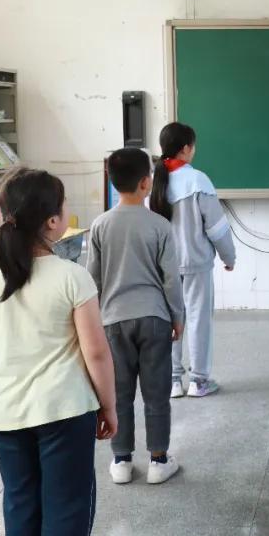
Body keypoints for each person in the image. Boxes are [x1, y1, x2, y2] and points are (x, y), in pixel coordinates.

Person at [0, 168, 117, 536]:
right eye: (64, 204)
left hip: (6, 411)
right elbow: (96, 352)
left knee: (20, 505)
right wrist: (109, 406)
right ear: (53, 220)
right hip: (64, 410)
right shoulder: (72, 276)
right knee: (66, 508)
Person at [89, 148, 185, 485]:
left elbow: (93, 280)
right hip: (154, 317)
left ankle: (122, 460)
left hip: (113, 321)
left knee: (119, 393)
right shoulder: (160, 225)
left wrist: (94, 323)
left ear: (112, 182)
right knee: (157, 392)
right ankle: (158, 460)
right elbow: (171, 279)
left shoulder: (100, 225)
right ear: (146, 183)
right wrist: (177, 316)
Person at [149, 122, 236, 399]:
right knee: (198, 319)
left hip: (163, 266)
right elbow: (216, 228)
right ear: (186, 148)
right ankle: (199, 380)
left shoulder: (153, 182)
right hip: (196, 263)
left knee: (170, 319)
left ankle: (173, 381)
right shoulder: (198, 180)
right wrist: (229, 256)